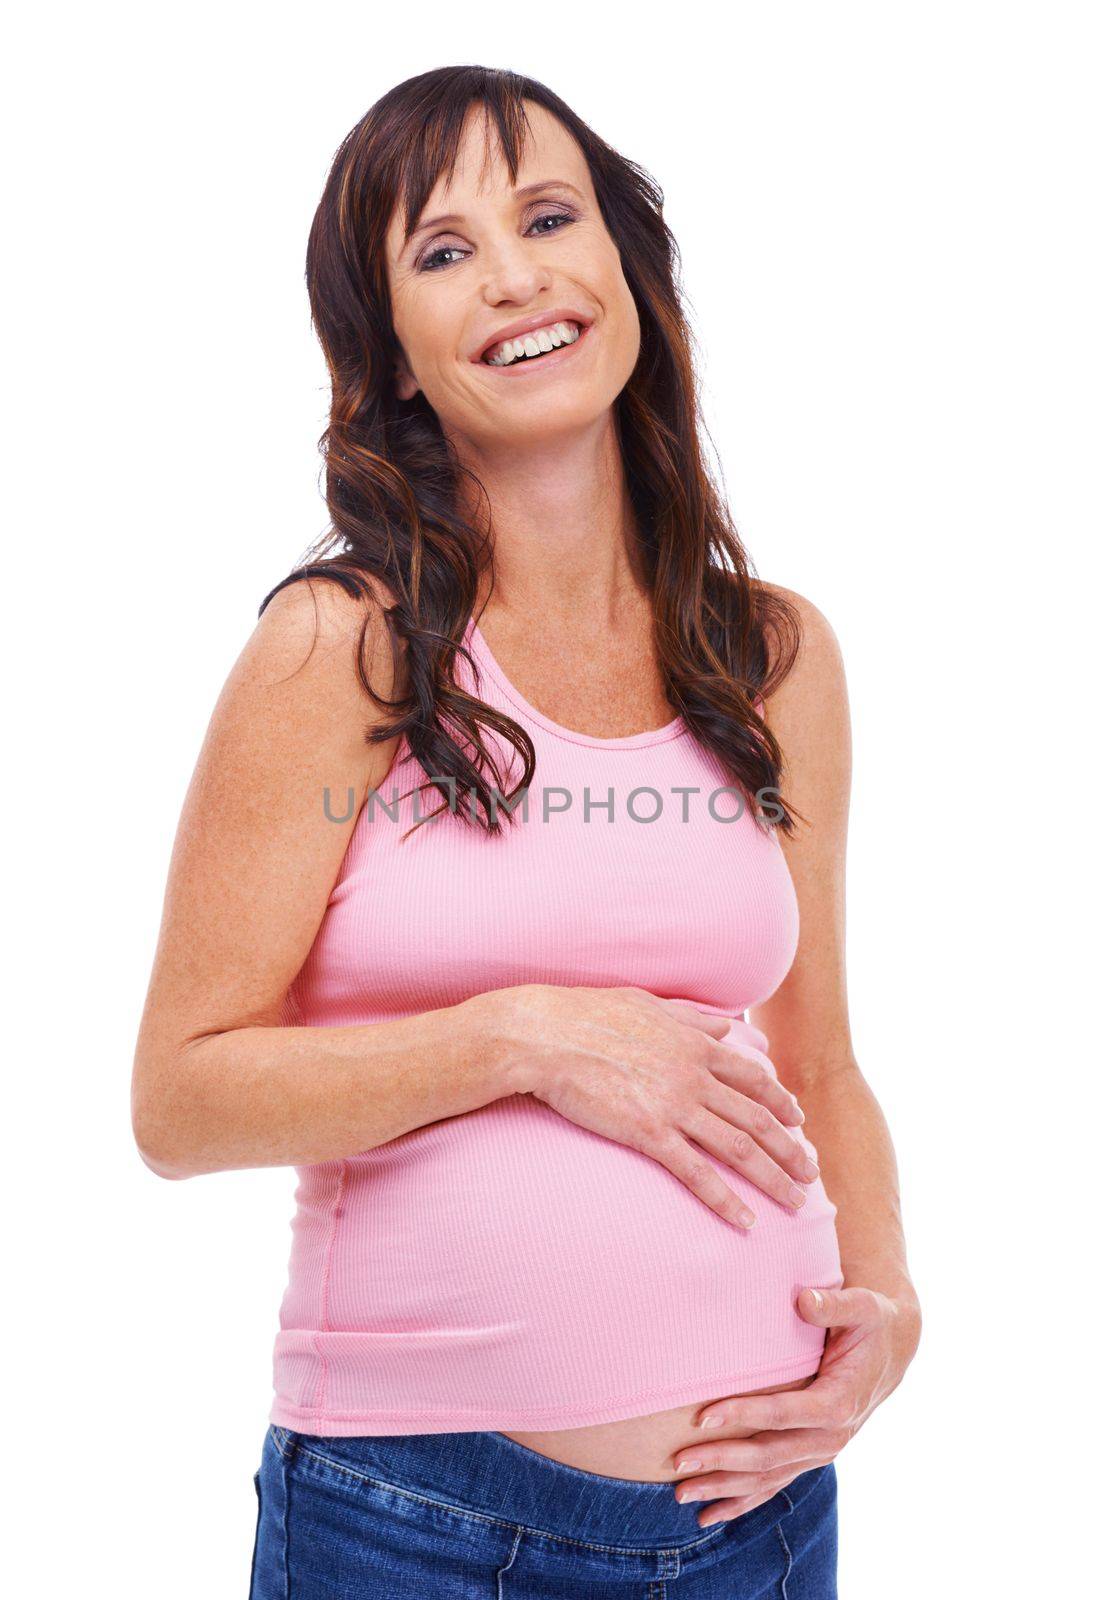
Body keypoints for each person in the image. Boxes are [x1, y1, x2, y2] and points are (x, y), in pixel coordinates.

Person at [131, 65, 921, 1598]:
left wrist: (887, 1306)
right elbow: (178, 1098)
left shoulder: (777, 658)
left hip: (759, 1521)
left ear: (625, 265)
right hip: (417, 1522)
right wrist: (524, 1038)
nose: (514, 275)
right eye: (442, 251)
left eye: (549, 216)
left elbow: (818, 1056)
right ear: (400, 362)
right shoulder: (342, 648)